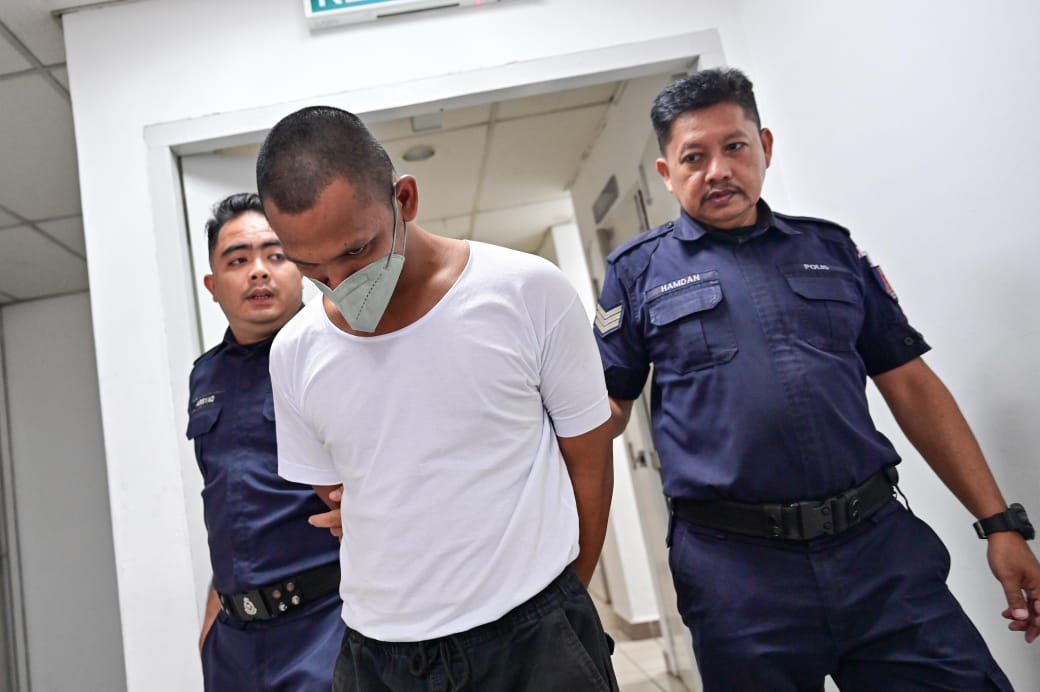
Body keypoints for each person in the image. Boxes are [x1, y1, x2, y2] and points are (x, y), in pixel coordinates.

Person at [594, 68, 1040, 691]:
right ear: (667, 174)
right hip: (736, 572)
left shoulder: (830, 250)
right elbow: (606, 408)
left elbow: (910, 384)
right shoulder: (637, 272)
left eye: (735, 147)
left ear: (765, 147)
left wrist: (1000, 524)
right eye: (694, 157)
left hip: (878, 553)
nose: (717, 170)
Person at [254, 105, 619, 692]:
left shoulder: (527, 291)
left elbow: (590, 465)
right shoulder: (294, 352)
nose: (339, 282)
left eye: (356, 251)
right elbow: (341, 491)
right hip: (379, 656)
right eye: (311, 266)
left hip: (534, 636)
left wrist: (561, 607)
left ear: (404, 199)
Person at [187, 192, 344, 691]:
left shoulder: (339, 353)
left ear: (301, 267)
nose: (258, 271)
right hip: (233, 645)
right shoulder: (205, 376)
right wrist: (212, 620)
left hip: (326, 626)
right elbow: (227, 507)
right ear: (213, 286)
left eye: (276, 255)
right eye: (238, 260)